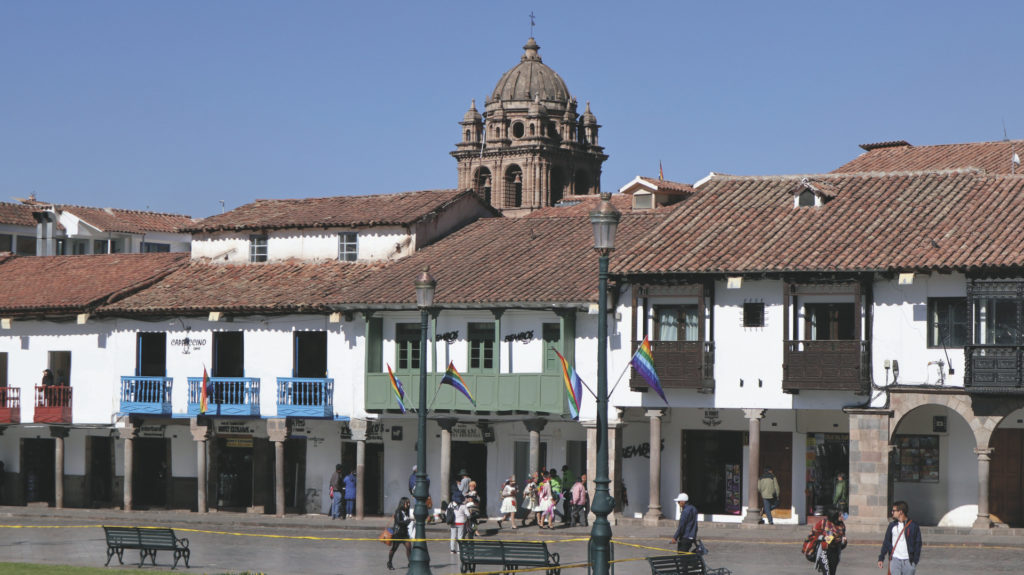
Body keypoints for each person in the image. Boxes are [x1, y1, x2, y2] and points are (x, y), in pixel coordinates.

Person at [877, 500, 922, 575]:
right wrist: (881, 558)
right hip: (895, 561)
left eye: (894, 510)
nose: (892, 512)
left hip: (908, 562)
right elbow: (886, 542)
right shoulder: (892, 526)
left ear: (900, 512)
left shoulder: (913, 526)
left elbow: (918, 543)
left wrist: (914, 561)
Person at [809, 508, 847, 575]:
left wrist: (844, 542)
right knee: (827, 573)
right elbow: (813, 534)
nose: (842, 516)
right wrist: (824, 538)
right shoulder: (823, 523)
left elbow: (842, 543)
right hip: (824, 552)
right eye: (840, 515)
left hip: (835, 553)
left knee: (832, 573)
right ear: (834, 516)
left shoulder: (841, 525)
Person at [386, 497, 413, 570]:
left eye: (409, 503)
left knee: (409, 548)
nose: (408, 504)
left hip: (404, 533)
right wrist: (408, 521)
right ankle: (389, 563)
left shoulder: (406, 511)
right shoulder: (398, 511)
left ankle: (410, 563)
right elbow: (399, 522)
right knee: (394, 549)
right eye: (407, 503)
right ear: (403, 503)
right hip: (398, 533)